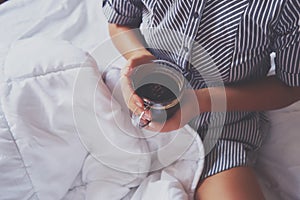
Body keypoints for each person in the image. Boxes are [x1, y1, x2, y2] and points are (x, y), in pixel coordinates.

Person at [102, 0, 300, 199]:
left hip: (221, 131)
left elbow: (290, 86)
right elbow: (120, 22)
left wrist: (203, 101)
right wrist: (139, 55)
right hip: (136, 102)